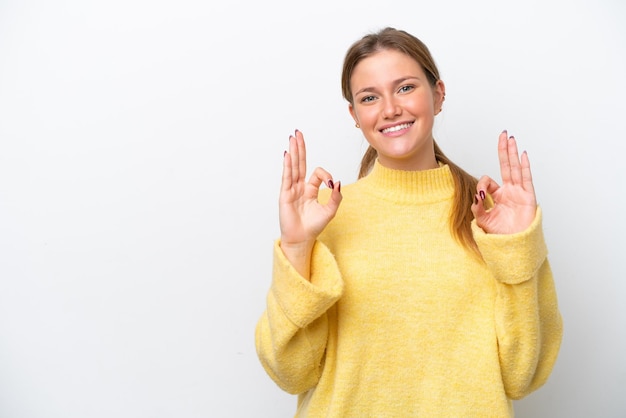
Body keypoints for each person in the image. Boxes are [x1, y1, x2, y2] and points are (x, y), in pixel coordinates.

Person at [255, 27, 562, 417]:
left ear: (438, 95)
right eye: (369, 97)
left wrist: (518, 249)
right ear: (354, 115)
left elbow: (523, 376)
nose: (389, 109)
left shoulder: (493, 216)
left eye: (404, 88)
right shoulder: (323, 215)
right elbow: (291, 373)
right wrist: (297, 248)